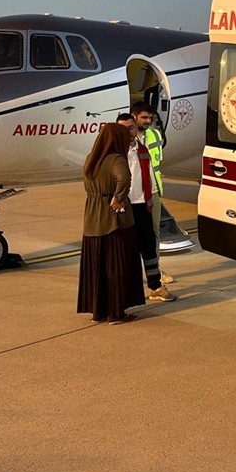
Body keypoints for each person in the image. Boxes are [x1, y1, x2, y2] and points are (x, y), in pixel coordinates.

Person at [77, 123, 145, 323]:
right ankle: (116, 311)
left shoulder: (91, 158)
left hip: (92, 218)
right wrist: (118, 197)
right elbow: (124, 179)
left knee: (97, 267)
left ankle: (99, 311)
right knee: (117, 266)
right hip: (114, 221)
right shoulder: (116, 158)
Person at [124, 111, 176, 303]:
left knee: (149, 246)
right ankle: (127, 289)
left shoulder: (142, 149)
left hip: (143, 203)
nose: (128, 131)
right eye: (124, 128)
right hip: (124, 206)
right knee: (127, 248)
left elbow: (149, 172)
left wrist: (151, 198)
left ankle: (156, 286)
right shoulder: (114, 152)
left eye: (130, 127)